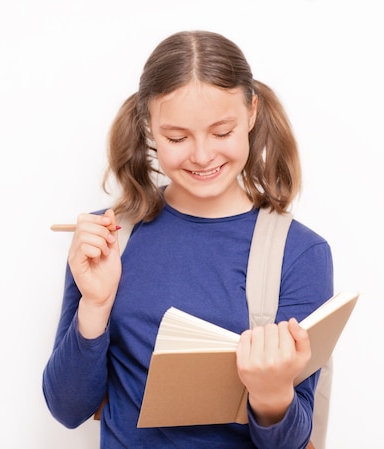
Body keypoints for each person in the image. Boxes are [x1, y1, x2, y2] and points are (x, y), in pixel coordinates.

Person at [42, 30, 333, 449]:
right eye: (177, 138)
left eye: (221, 132)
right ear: (149, 127)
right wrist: (95, 305)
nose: (200, 155)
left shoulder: (300, 253)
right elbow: (67, 409)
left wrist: (272, 394)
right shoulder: (109, 238)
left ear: (251, 113)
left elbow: (293, 441)